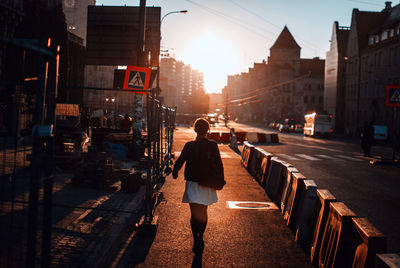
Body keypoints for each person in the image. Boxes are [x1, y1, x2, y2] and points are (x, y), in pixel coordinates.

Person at [172, 118, 224, 254]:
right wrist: (220, 180)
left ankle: (196, 239)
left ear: (195, 129)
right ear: (207, 130)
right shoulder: (212, 145)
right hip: (207, 184)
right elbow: (219, 164)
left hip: (193, 184)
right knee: (203, 212)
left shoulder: (189, 145)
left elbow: (180, 160)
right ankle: (201, 237)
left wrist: (175, 171)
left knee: (194, 214)